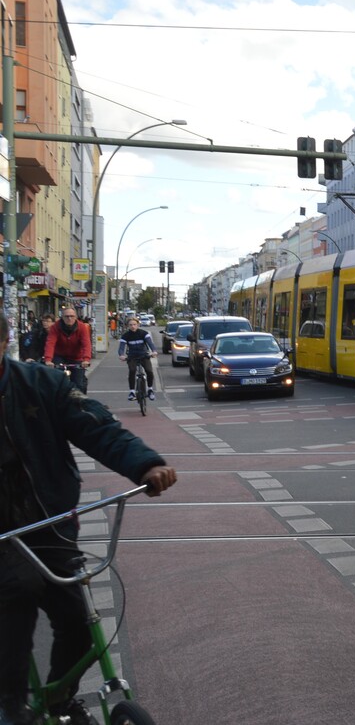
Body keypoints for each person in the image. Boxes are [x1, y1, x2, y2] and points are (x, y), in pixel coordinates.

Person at [0, 313, 178, 725]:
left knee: (80, 626)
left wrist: (146, 465)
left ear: (6, 338)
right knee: (16, 599)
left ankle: (61, 698)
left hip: (47, 527)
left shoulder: (42, 385)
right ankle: (10, 704)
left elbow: (99, 428)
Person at [43, 308, 91, 394]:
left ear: (76, 317)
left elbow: (86, 343)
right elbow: (50, 343)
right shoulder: (55, 327)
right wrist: (48, 360)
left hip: (76, 357)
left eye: (72, 316)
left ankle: (80, 403)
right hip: (59, 356)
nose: (69, 318)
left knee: (78, 384)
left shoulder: (82, 327)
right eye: (67, 316)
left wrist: (86, 359)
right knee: (57, 381)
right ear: (62, 317)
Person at [117, 316, 157, 402]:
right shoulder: (125, 336)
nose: (133, 326)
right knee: (132, 370)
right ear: (128, 326)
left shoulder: (143, 333)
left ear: (138, 325)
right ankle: (132, 392)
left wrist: (153, 351)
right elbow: (121, 347)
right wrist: (121, 355)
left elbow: (150, 343)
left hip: (144, 356)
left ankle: (150, 389)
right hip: (132, 356)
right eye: (130, 325)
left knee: (149, 371)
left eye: (134, 324)